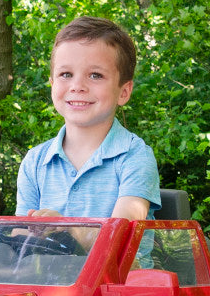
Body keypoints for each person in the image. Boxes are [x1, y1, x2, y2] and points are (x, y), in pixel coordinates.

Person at [16, 16, 161, 221]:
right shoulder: (34, 161)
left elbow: (120, 235)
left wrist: (66, 229)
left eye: (95, 75)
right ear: (52, 84)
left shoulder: (135, 157)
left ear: (124, 92)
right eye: (66, 74)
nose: (77, 86)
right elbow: (20, 233)